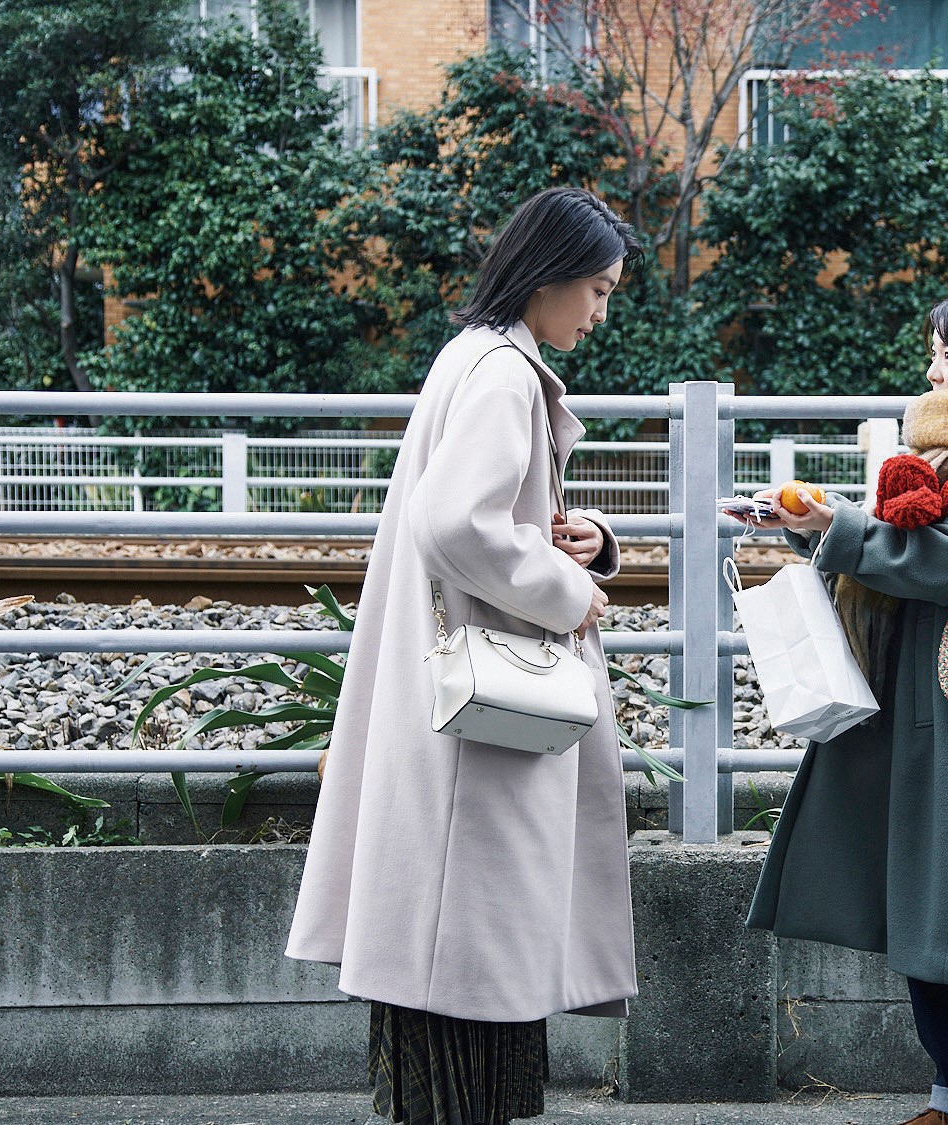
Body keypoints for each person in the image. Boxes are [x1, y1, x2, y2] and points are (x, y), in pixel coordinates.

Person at [286, 187, 642, 1125]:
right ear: (550, 277)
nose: (601, 311)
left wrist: (589, 540)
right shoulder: (506, 373)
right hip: (483, 721)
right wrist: (574, 595)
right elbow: (461, 522)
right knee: (474, 958)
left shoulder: (470, 356)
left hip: (448, 695)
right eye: (597, 290)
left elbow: (484, 514)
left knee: (451, 969)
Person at [736, 289, 948, 1125]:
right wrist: (806, 525)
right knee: (932, 906)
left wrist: (839, 525)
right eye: (931, 353)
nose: (932, 372)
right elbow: (899, 547)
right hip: (922, 700)